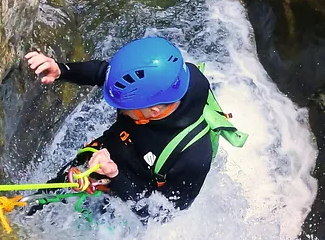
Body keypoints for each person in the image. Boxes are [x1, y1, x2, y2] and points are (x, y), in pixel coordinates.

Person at [25, 37, 215, 212]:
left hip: (128, 198)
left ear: (153, 111)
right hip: (103, 158)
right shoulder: (165, 81)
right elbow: (104, 74)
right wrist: (61, 70)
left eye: (125, 106)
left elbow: (161, 215)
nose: (119, 110)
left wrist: (115, 176)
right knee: (37, 203)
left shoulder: (194, 157)